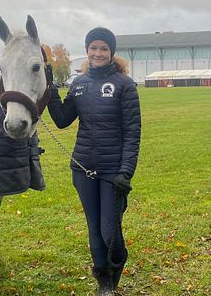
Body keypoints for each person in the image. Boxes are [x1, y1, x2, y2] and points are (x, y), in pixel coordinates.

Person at [46, 27, 141, 296]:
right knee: (93, 229)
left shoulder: (125, 86)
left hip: (113, 173)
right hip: (83, 169)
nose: (98, 53)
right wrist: (50, 88)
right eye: (93, 48)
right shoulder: (78, 85)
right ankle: (104, 283)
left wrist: (126, 172)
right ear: (87, 51)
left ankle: (115, 268)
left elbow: (133, 133)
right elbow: (63, 120)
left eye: (104, 49)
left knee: (109, 231)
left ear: (111, 53)